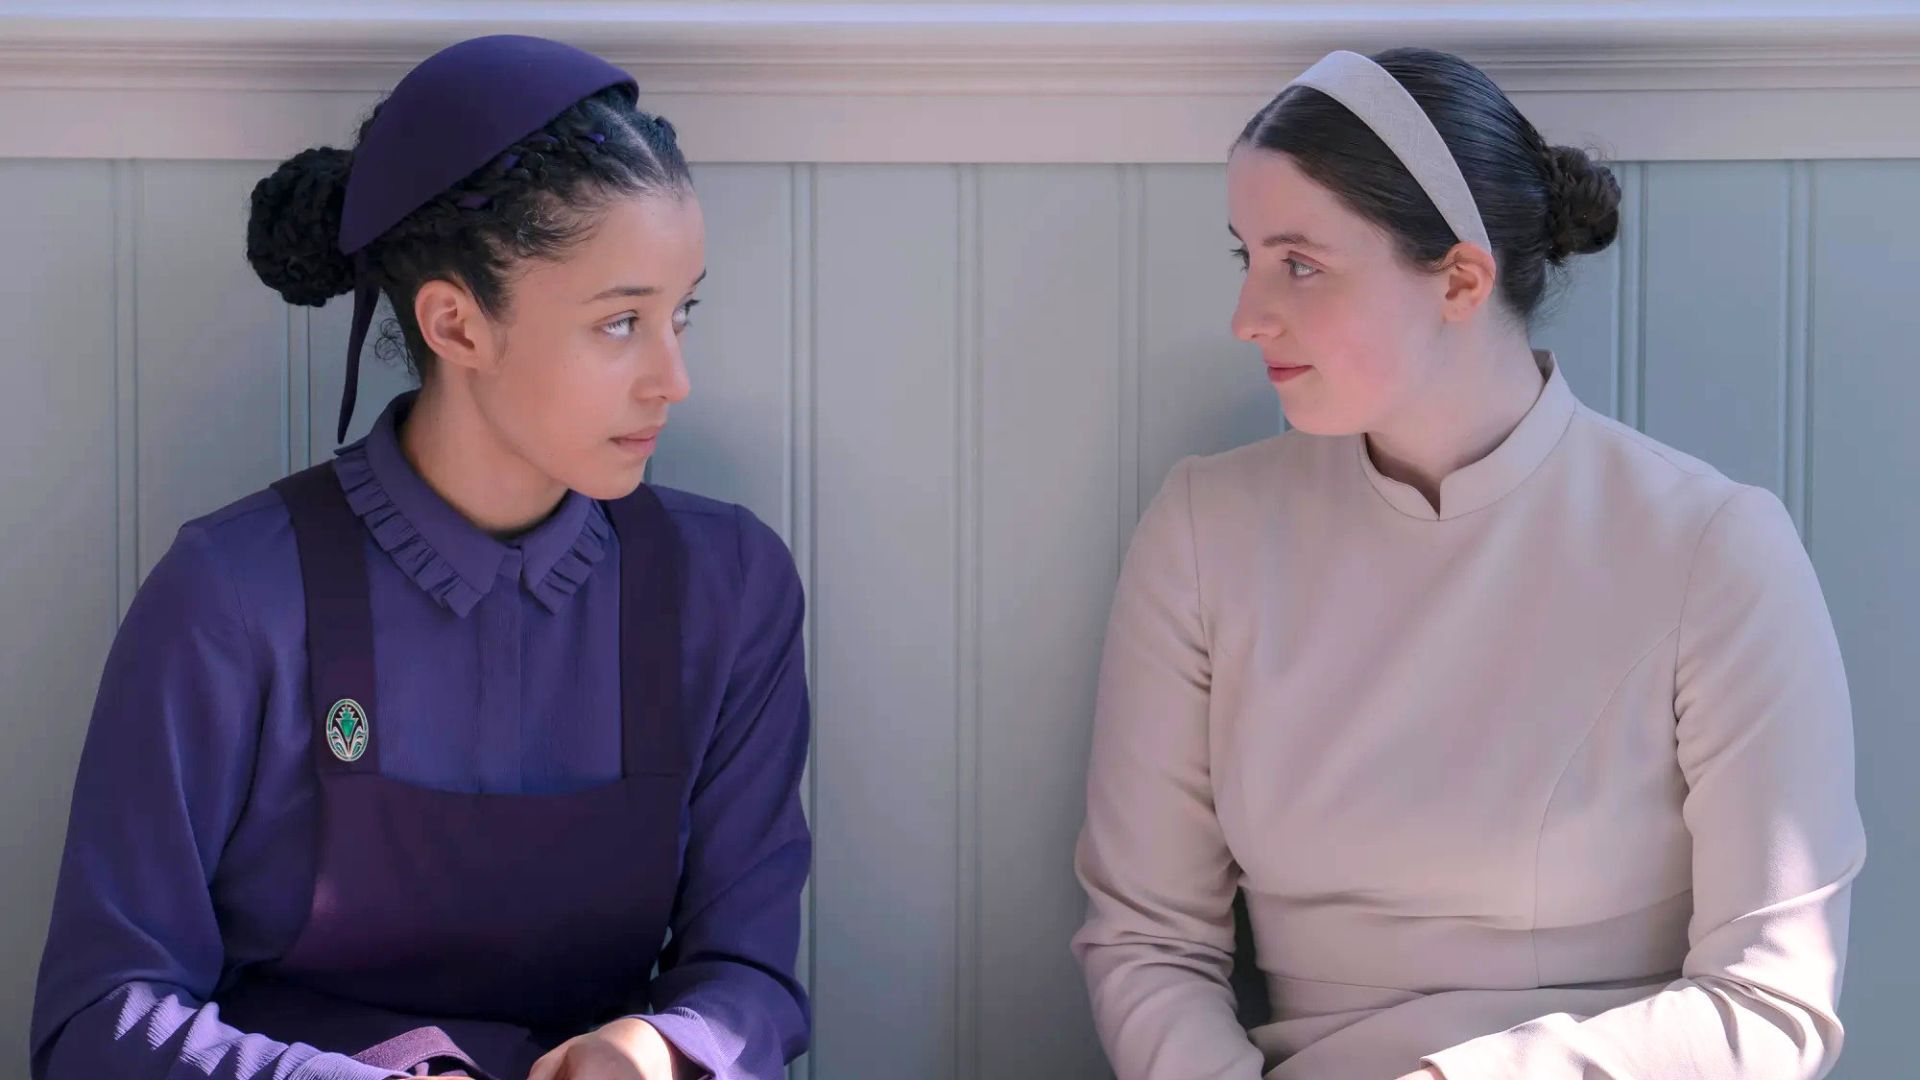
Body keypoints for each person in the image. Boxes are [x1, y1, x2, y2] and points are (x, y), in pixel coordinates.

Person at [1073, 47, 1865, 1080]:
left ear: (1459, 279)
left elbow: (1771, 1005)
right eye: (1247, 257)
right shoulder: (1204, 531)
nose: (1247, 316)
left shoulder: (1714, 551)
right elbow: (1149, 943)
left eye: (1298, 263)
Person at [31, 35, 810, 1080]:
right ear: (455, 323)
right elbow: (98, 1018)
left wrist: (659, 1047)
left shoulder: (731, 589)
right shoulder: (231, 597)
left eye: (682, 314)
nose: (673, 378)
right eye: (622, 322)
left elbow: (748, 976)